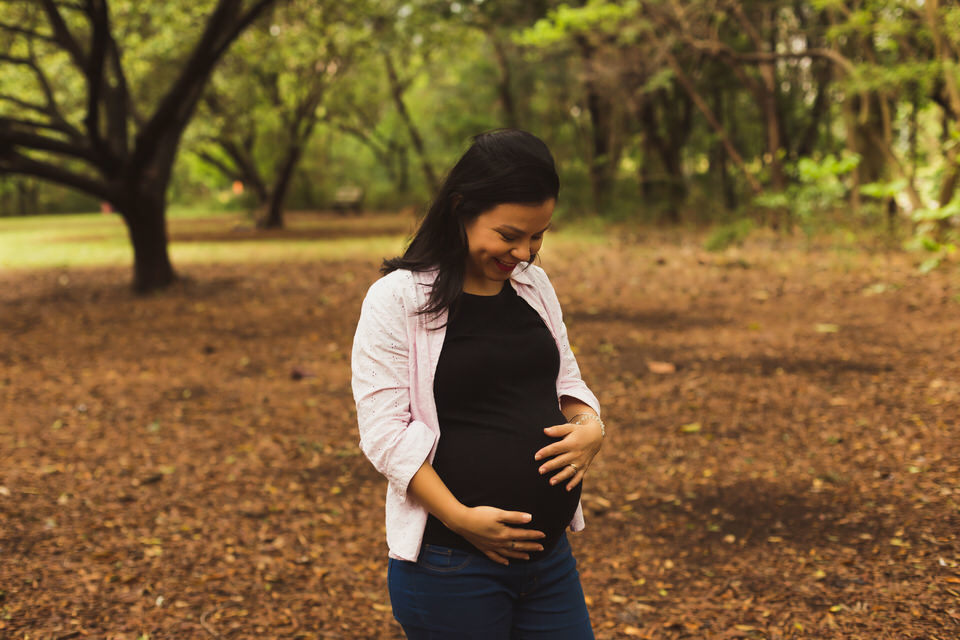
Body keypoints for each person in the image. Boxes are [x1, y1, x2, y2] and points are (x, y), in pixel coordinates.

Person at [351, 129, 605, 639]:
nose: (525, 252)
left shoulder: (534, 287)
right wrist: (462, 518)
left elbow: (566, 379)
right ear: (462, 208)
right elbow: (385, 436)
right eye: (509, 235)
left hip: (548, 561)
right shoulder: (397, 300)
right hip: (451, 566)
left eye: (538, 235)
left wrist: (591, 425)